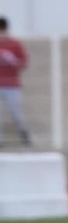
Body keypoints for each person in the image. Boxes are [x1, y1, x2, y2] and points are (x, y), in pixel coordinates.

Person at [0, 17, 31, 147]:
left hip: (12, 85)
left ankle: (22, 131)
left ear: (6, 30)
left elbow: (24, 62)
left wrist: (13, 61)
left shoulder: (15, 44)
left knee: (16, 112)